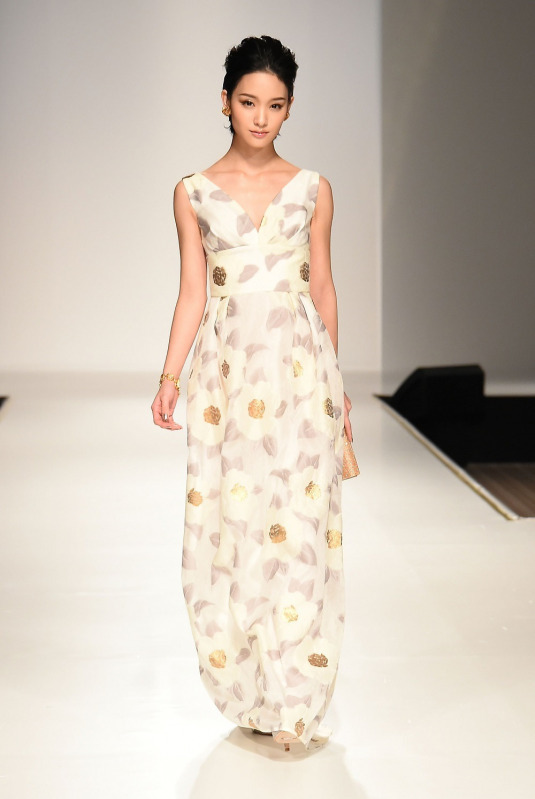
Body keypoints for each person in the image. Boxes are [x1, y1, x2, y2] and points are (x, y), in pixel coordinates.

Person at [151, 34, 353, 753]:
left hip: (301, 375)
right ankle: (251, 688)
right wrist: (170, 377)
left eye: (275, 105)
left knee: (300, 525)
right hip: (226, 379)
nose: (261, 118)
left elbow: (322, 287)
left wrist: (338, 387)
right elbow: (192, 292)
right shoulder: (193, 192)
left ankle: (297, 696)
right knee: (231, 528)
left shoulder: (313, 189)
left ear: (289, 108)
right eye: (248, 102)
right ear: (225, 102)